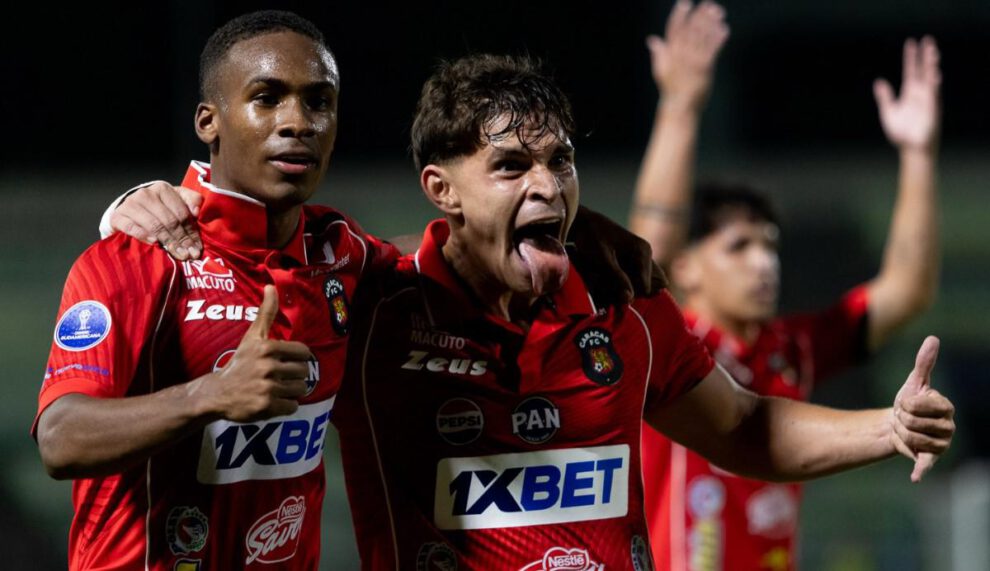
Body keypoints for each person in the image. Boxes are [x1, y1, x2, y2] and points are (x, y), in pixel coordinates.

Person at [101, 51, 951, 571]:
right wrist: (141, 207)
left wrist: (889, 426)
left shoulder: (625, 305)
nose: (546, 182)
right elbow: (247, 260)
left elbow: (745, 430)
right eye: (510, 166)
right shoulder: (373, 304)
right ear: (442, 192)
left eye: (561, 161)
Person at [34, 11, 397, 569]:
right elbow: (60, 439)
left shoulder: (340, 253)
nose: (298, 121)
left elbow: (447, 259)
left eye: (318, 101)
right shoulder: (138, 257)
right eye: (267, 97)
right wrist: (210, 394)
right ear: (209, 121)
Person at [628, 2, 943, 570]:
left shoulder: (790, 348)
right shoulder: (668, 341)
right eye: (739, 246)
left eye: (770, 245)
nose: (764, 263)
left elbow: (907, 289)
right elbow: (649, 246)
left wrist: (917, 153)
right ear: (689, 267)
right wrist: (680, 106)